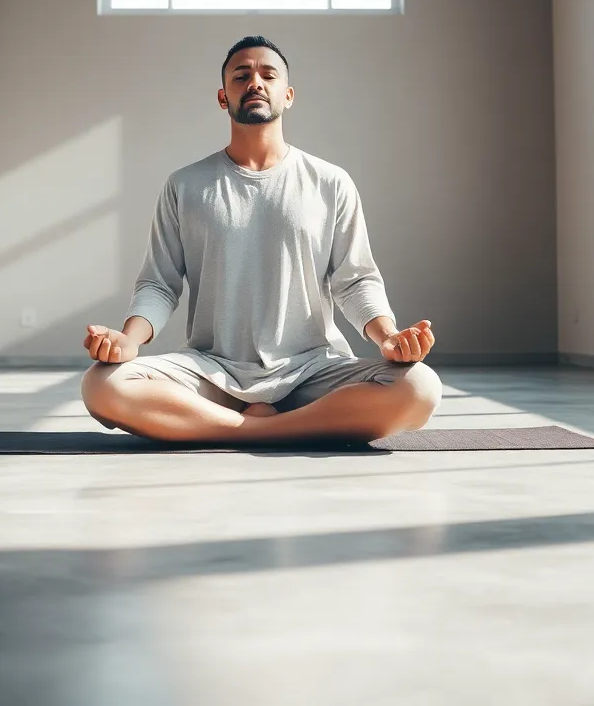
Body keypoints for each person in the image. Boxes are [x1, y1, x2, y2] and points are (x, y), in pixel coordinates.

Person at [80, 36, 443, 444]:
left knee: (421, 388)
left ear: (287, 96)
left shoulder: (330, 182)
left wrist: (389, 337)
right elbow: (159, 283)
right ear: (223, 97)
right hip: (212, 369)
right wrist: (128, 341)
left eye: (268, 75)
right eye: (242, 75)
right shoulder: (186, 185)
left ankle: (243, 428)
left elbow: (355, 280)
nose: (255, 82)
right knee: (102, 386)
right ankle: (270, 428)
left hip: (311, 369)